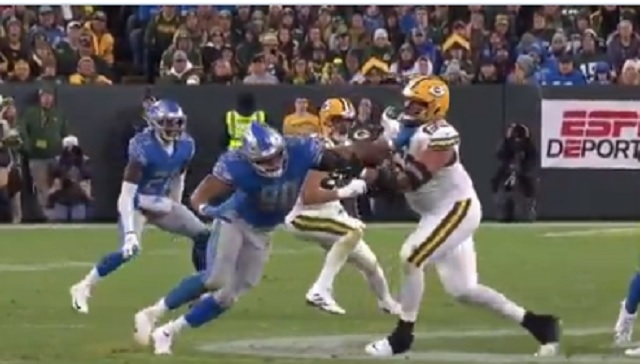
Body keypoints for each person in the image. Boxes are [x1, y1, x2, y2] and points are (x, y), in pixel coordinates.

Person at [131, 122, 385, 355]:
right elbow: (199, 198)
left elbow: (337, 159)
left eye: (276, 156)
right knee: (215, 278)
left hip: (264, 230)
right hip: (235, 220)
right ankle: (152, 313)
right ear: (250, 158)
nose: (273, 163)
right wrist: (209, 211)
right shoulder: (235, 164)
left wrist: (359, 169)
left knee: (229, 296)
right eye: (264, 160)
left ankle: (168, 332)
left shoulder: (301, 149)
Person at [363, 76, 560, 357]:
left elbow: (409, 180)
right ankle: (539, 324)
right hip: (435, 213)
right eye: (408, 102)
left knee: (411, 256)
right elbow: (380, 150)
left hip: (456, 209)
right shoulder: (401, 127)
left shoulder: (441, 136)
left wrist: (369, 175)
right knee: (464, 290)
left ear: (435, 108)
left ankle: (402, 336)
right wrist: (353, 158)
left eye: (418, 105)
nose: (409, 108)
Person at [68, 99, 210, 314]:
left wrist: (176, 206)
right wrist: (130, 232)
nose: (173, 128)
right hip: (137, 203)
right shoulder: (142, 146)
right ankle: (83, 286)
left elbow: (178, 177)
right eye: (167, 123)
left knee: (203, 235)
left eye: (176, 123)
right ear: (154, 123)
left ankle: (202, 290)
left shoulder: (186, 145)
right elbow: (127, 194)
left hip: (161, 202)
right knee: (129, 251)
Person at [284, 97, 399, 315]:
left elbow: (363, 170)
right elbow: (310, 195)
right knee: (353, 230)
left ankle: (388, 303)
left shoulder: (344, 148)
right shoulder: (317, 147)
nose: (345, 126)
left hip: (330, 213)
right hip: (305, 215)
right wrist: (347, 190)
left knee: (370, 264)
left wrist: (372, 177)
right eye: (339, 121)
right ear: (328, 120)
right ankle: (321, 289)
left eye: (348, 121)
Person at [491, 123, 538, 222]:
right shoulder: (506, 143)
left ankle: (529, 213)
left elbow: (532, 158)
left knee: (529, 189)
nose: (517, 140)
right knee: (500, 187)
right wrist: (508, 166)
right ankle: (504, 214)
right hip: (506, 169)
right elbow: (500, 154)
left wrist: (523, 169)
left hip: (523, 169)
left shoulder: (528, 145)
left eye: (520, 137)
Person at [47, 135, 92, 222]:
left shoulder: (84, 161)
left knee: (78, 224)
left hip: (78, 200)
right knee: (60, 224)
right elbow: (56, 181)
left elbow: (87, 180)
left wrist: (87, 194)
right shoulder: (57, 161)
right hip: (61, 200)